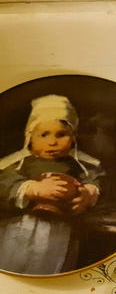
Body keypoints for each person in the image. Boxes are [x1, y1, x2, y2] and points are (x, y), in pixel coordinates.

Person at [0, 94, 103, 275]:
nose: (52, 142)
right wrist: (33, 189)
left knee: (52, 268)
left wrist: (88, 193)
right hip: (21, 227)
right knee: (14, 263)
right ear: (30, 137)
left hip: (61, 230)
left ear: (73, 137)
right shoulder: (19, 164)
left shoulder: (80, 165)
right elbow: (4, 183)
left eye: (61, 135)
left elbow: (96, 179)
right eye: (44, 135)